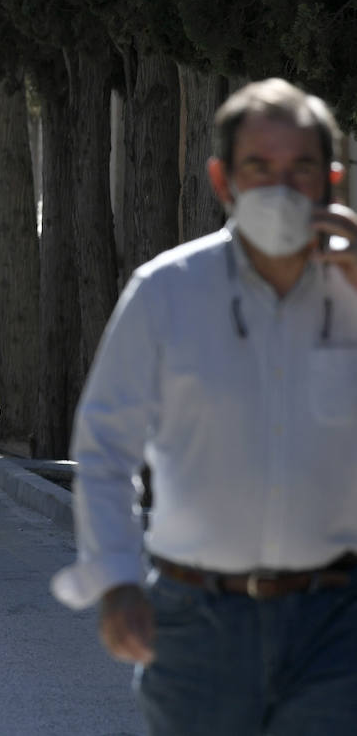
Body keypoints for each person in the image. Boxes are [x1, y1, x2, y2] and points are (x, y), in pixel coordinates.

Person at [52, 79, 357, 736]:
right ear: (224, 181)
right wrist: (117, 581)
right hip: (197, 629)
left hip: (338, 626)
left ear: (331, 180)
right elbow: (105, 448)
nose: (281, 186)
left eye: (300, 167)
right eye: (259, 167)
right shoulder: (168, 292)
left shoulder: (354, 291)